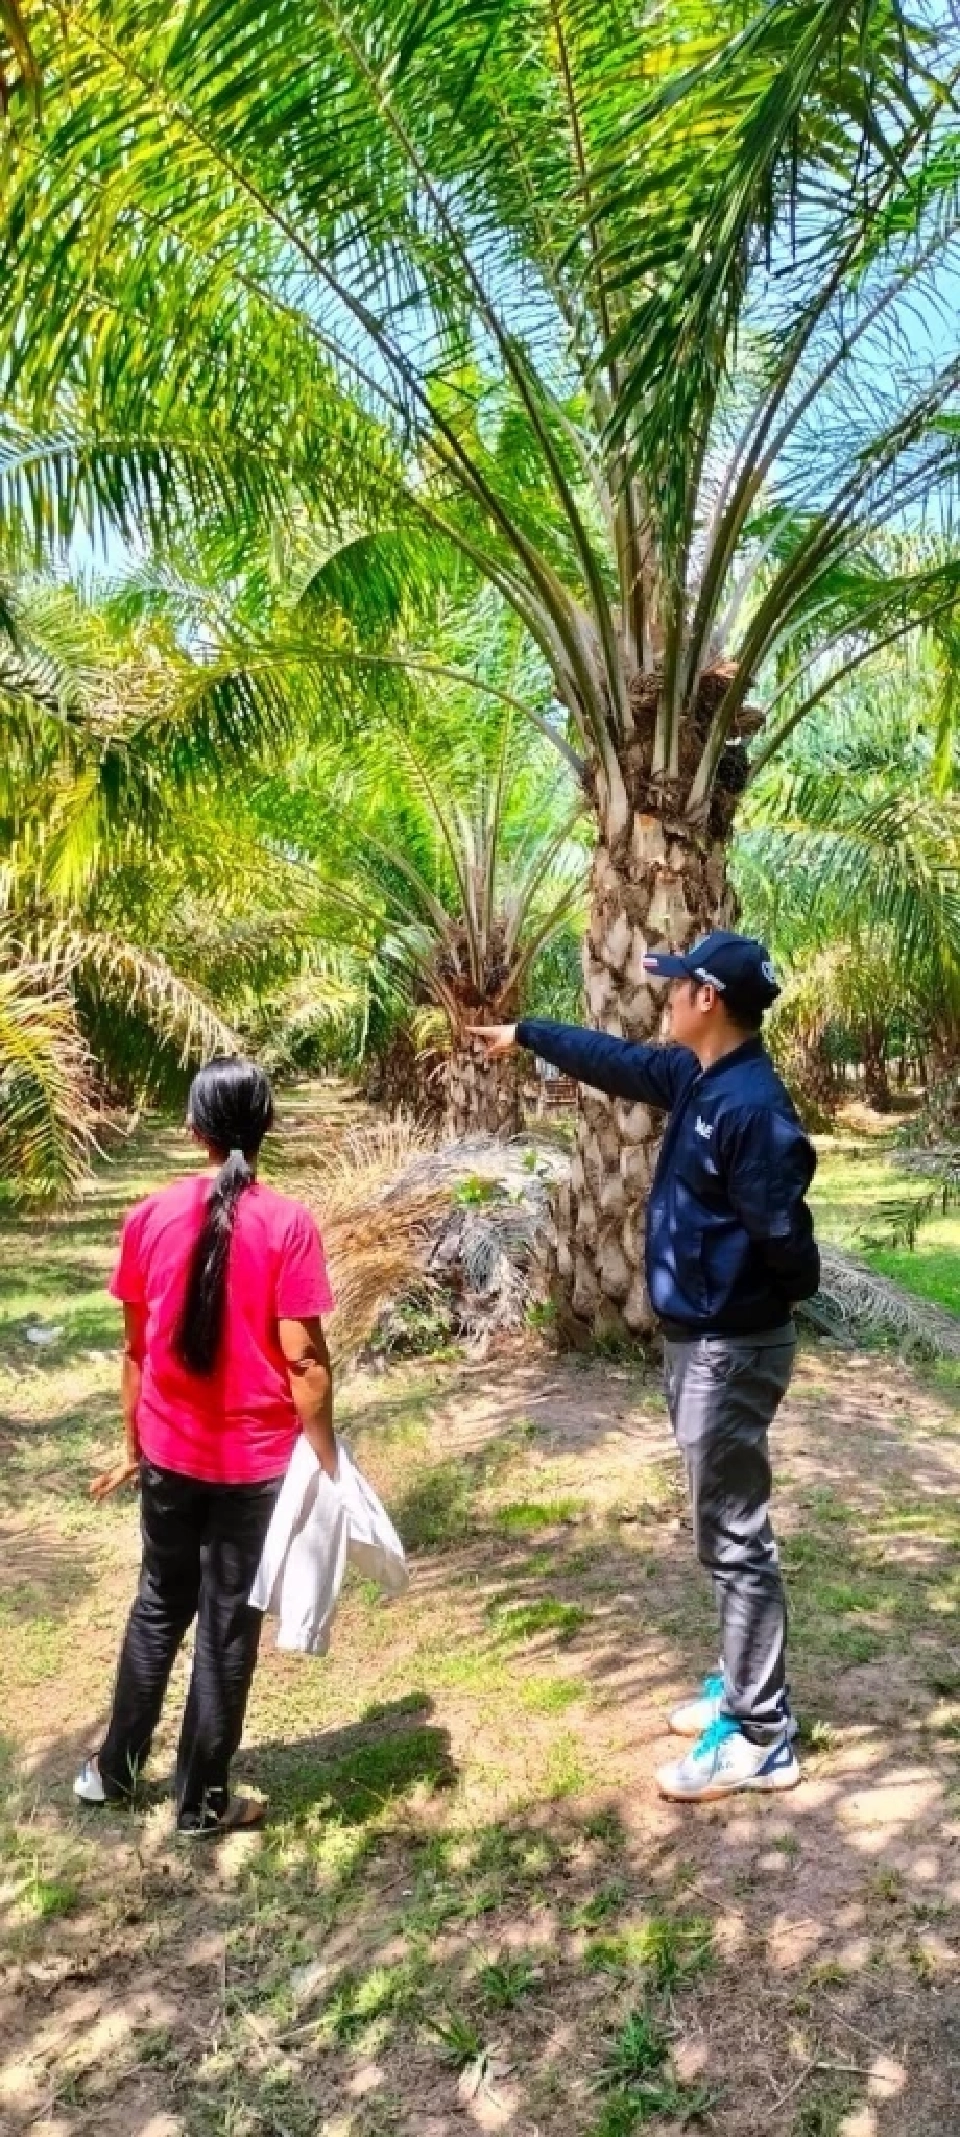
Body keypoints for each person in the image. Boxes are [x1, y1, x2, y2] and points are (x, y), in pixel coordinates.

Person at [469, 930, 820, 1804]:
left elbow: (788, 1247)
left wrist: (739, 1303)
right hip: (705, 1343)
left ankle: (764, 1734)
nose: (660, 996)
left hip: (729, 1348)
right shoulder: (698, 1078)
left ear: (708, 997)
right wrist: (529, 1034)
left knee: (736, 1536)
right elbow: (616, 1060)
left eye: (673, 986)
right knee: (720, 1529)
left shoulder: (751, 1108)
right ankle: (740, 1687)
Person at [74, 1056, 337, 1836]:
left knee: (160, 1604)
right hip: (254, 1467)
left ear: (192, 1129)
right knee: (227, 1624)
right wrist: (324, 1455)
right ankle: (201, 1802)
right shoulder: (289, 1223)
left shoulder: (149, 1215)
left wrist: (133, 1445)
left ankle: (112, 1773)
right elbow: (306, 1359)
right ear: (266, 1127)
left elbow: (135, 1351)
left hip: (169, 1453)